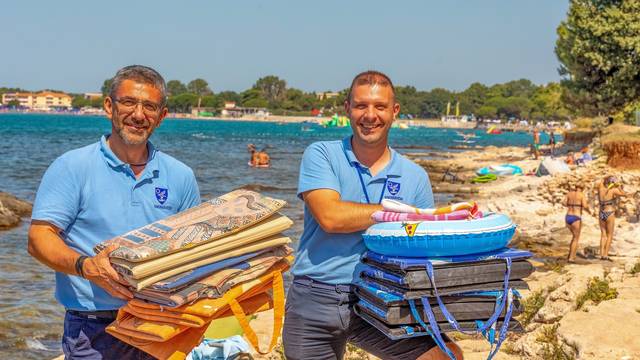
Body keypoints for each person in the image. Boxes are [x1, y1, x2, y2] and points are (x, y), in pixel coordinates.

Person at [282, 71, 462, 360]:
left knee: (444, 356)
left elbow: (423, 248)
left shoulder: (415, 177)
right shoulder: (322, 154)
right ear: (347, 109)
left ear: (394, 111)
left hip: (380, 298)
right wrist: (402, 214)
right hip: (314, 297)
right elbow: (331, 217)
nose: (370, 115)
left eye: (379, 106)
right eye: (361, 105)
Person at [27, 65, 201, 359]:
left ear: (162, 116)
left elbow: (197, 248)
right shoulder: (73, 167)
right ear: (109, 106)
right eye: (129, 102)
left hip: (163, 321)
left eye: (149, 106)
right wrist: (87, 267)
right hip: (93, 328)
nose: (138, 114)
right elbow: (38, 239)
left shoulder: (181, 176)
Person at [596, 175, 630, 260]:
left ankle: (601, 254)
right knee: (610, 235)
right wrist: (618, 186)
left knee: (603, 235)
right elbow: (625, 195)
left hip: (601, 213)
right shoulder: (613, 190)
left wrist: (608, 176)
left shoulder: (600, 189)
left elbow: (601, 179)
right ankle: (605, 255)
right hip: (609, 212)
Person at [564, 183, 590, 263]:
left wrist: (571, 204)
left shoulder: (569, 193)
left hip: (568, 216)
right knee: (576, 238)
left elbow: (564, 203)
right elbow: (585, 206)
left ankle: (571, 255)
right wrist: (588, 209)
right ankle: (571, 258)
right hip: (576, 217)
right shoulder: (581, 195)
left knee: (573, 237)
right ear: (583, 188)